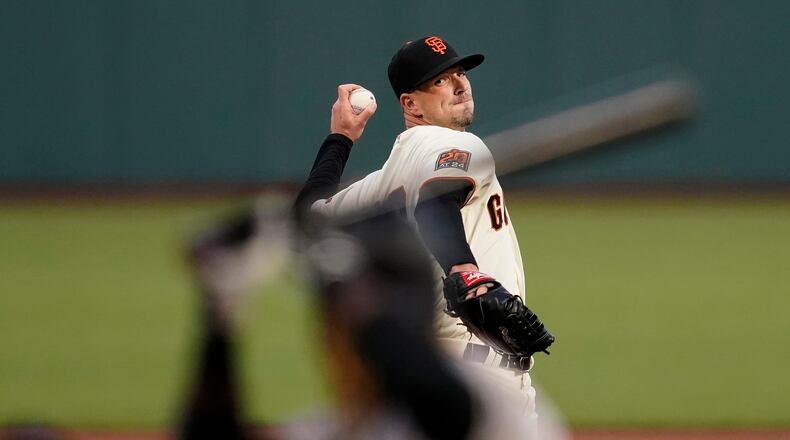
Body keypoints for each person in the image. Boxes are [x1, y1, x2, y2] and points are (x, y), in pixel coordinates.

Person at [294, 35, 555, 437]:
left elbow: (309, 218)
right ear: (410, 104)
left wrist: (340, 138)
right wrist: (465, 272)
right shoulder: (448, 142)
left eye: (460, 72)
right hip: (476, 384)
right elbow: (438, 198)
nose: (459, 83)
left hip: (427, 368)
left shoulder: (387, 178)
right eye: (440, 80)